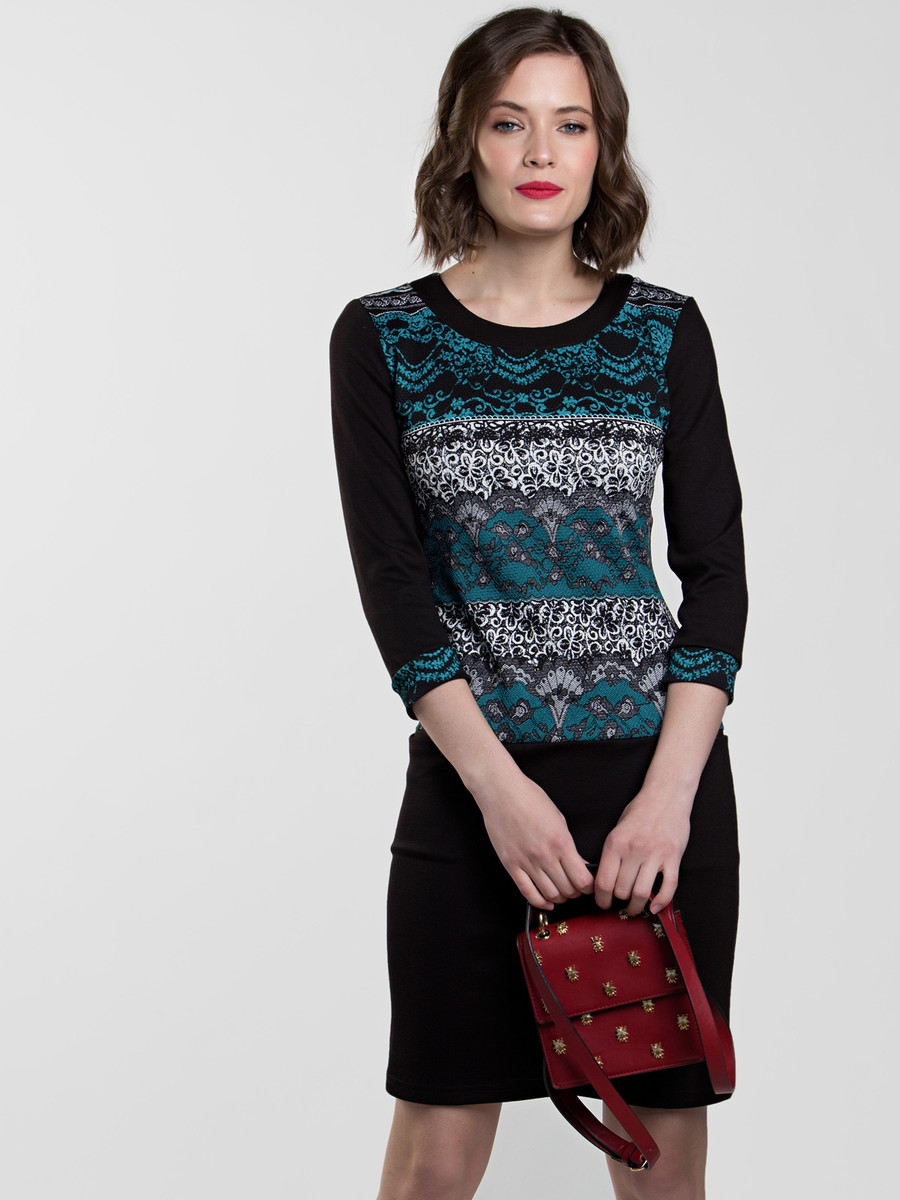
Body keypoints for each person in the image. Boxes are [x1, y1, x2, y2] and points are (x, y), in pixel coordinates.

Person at [329, 7, 747, 1198]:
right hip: (476, 791)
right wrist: (500, 794)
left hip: (652, 795)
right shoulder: (383, 339)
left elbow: (717, 577)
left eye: (571, 123)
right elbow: (394, 589)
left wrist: (667, 801)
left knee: (660, 1166)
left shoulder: (664, 334)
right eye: (509, 122)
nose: (540, 151)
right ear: (464, 138)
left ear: (604, 147)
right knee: (434, 1159)